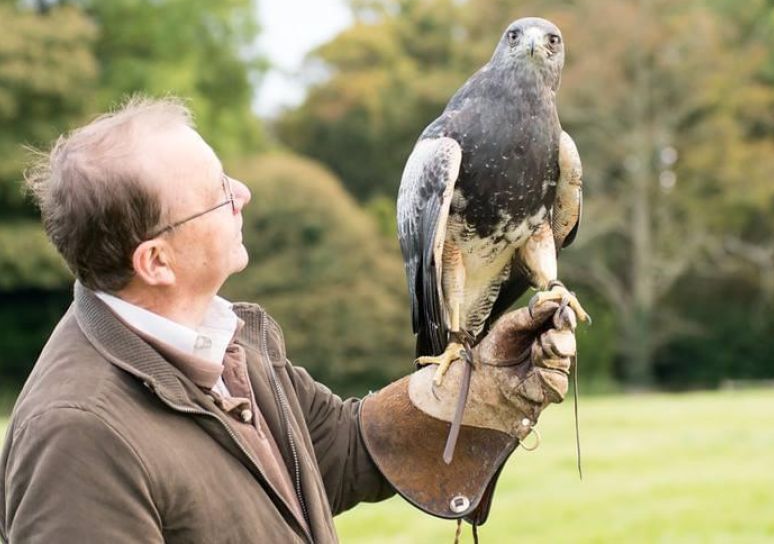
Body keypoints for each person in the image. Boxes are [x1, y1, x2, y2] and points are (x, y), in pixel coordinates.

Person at [0, 97, 577, 543]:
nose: (243, 193)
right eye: (217, 193)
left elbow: (344, 449)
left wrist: (486, 385)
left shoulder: (230, 342)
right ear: (156, 261)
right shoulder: (76, 437)